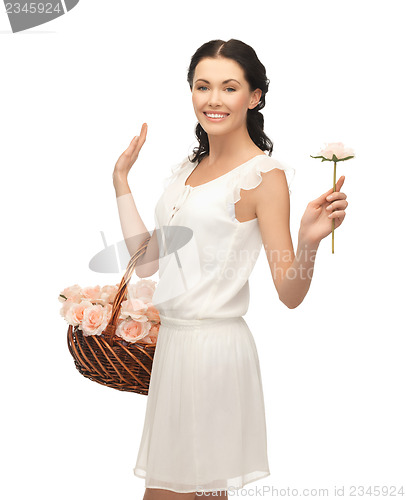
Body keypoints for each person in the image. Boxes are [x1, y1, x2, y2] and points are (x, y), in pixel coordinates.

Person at [112, 39, 348, 500]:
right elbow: (149, 262)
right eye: (203, 86)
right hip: (175, 349)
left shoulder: (263, 176)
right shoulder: (187, 168)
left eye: (229, 87)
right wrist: (121, 182)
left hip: (213, 354)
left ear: (254, 96)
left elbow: (289, 292)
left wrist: (308, 241)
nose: (213, 99)